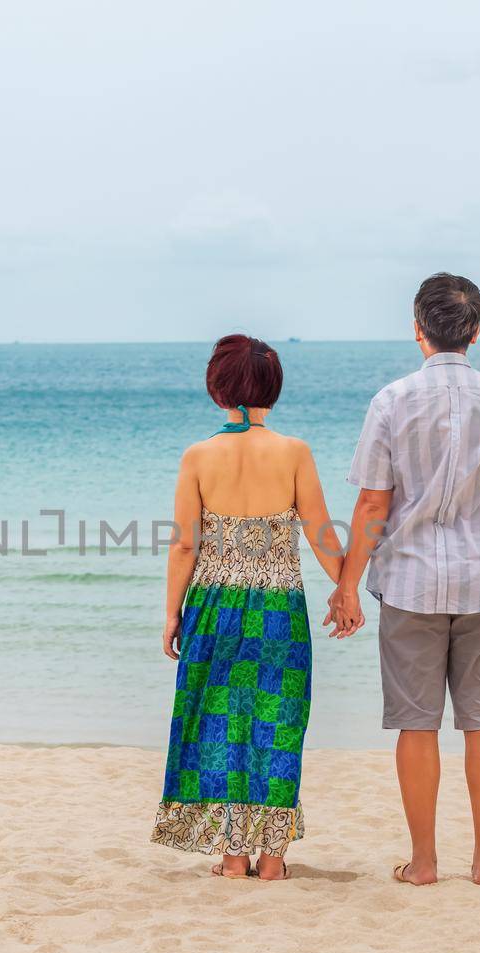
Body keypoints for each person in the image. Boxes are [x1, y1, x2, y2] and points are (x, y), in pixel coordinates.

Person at [325, 273, 480, 887]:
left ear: (418, 330)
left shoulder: (392, 401)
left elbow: (372, 504)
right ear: (475, 331)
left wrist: (346, 584)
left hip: (409, 583)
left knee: (416, 723)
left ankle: (423, 863)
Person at [151, 334, 345, 880]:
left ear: (218, 389)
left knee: (221, 724)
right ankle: (274, 859)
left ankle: (232, 857)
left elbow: (185, 544)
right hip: (279, 609)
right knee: (278, 724)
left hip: (214, 608)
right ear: (272, 389)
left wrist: (172, 614)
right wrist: (346, 589)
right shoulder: (294, 453)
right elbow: (322, 534)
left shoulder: (198, 456)